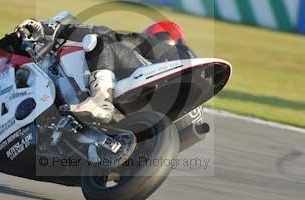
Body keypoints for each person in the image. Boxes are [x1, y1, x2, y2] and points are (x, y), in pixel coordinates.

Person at [15, 18, 188, 123]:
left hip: (149, 81)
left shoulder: (147, 52)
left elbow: (101, 32)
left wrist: (54, 29)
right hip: (150, 115)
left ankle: (101, 100)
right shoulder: (184, 64)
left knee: (99, 40)